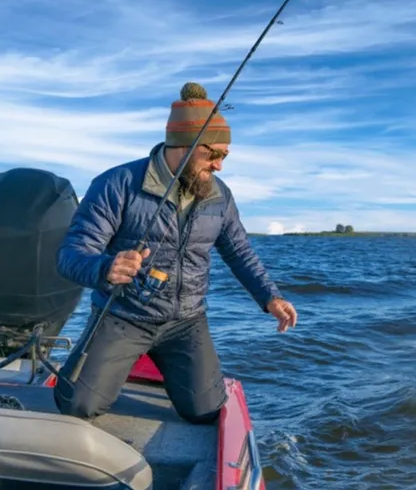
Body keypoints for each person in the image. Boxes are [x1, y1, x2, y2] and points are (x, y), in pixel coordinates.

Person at [52, 81, 297, 424]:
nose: (220, 165)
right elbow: (71, 255)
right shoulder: (116, 183)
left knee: (206, 412)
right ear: (184, 145)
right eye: (214, 154)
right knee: (76, 405)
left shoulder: (220, 195)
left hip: (186, 321)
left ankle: (160, 362)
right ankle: (115, 359)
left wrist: (269, 297)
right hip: (124, 317)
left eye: (225, 156)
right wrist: (105, 268)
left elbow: (239, 251)